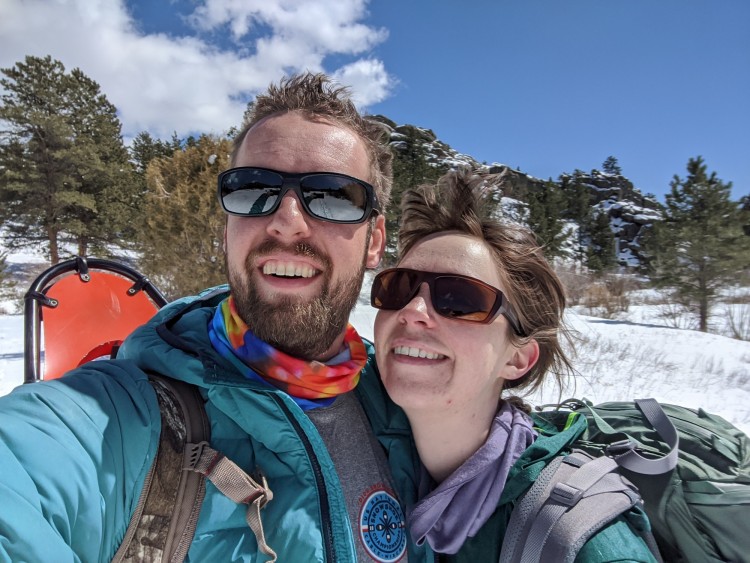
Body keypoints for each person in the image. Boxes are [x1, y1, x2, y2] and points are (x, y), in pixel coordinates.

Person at [0, 73, 427, 562]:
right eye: (253, 190)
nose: (286, 220)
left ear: (374, 242)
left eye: (332, 196)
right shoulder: (122, 417)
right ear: (228, 229)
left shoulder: (406, 407)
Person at [371, 167, 659, 562]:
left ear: (518, 358)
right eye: (399, 287)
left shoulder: (582, 540)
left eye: (459, 299)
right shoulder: (359, 435)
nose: (413, 310)